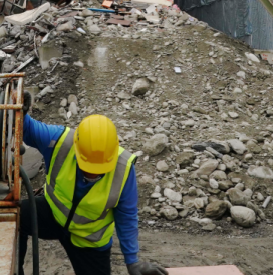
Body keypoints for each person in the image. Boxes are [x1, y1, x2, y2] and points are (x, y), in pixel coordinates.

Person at [20, 102, 167, 275]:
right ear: (77, 148)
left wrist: (132, 262)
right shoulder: (59, 141)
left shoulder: (124, 169)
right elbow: (26, 128)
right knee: (15, 215)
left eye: (99, 170)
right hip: (52, 214)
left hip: (89, 239)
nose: (92, 176)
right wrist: (20, 110)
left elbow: (126, 215)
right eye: (87, 168)